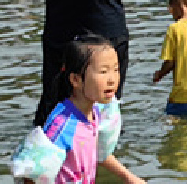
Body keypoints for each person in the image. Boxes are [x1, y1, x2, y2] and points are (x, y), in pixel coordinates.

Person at [9, 35, 145, 184]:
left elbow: (99, 153)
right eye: (103, 71)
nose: (112, 79)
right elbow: (33, 176)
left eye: (116, 69)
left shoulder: (95, 111)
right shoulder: (61, 127)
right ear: (76, 80)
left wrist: (129, 178)